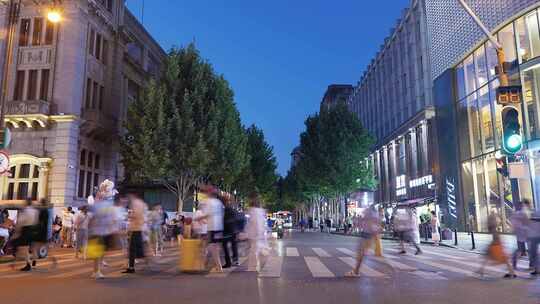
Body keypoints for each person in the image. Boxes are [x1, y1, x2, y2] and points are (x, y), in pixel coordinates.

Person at [88, 179, 119, 279]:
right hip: (98, 231)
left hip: (103, 231)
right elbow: (93, 217)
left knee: (101, 251)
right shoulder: (98, 204)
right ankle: (96, 271)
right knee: (98, 252)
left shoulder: (106, 205)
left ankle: (97, 270)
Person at [477, 210, 516, 278]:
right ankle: (481, 270)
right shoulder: (494, 228)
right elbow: (497, 238)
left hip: (496, 245)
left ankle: (512, 273)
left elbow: (496, 238)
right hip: (496, 245)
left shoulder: (493, 228)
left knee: (503, 259)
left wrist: (494, 244)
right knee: (503, 259)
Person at [345, 206, 381, 277]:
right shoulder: (375, 214)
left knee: (360, 253)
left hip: (366, 234)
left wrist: (351, 229)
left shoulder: (369, 213)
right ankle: (356, 270)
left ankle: (356, 271)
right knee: (361, 252)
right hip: (368, 234)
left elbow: (364, 222)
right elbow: (375, 223)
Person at [196, 184, 224, 273]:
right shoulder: (218, 202)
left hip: (212, 227)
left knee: (212, 247)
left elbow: (207, 214)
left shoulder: (209, 202)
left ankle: (217, 267)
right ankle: (207, 264)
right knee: (214, 247)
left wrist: (199, 218)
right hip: (219, 227)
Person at [123, 193, 149, 274]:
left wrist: (129, 216)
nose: (128, 198)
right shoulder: (142, 204)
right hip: (138, 229)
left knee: (133, 249)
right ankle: (132, 266)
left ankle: (132, 267)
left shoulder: (136, 203)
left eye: (129, 197)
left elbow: (137, 215)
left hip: (136, 229)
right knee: (137, 249)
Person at [11, 199, 39, 271]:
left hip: (26, 230)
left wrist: (16, 232)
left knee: (24, 248)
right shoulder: (35, 210)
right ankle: (33, 260)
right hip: (34, 230)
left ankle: (28, 264)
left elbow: (20, 222)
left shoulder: (25, 211)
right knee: (32, 247)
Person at [246, 192, 267, 272]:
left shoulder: (253, 210)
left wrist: (254, 233)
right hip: (258, 233)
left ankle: (253, 267)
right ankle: (253, 266)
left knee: (254, 250)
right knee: (255, 249)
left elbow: (255, 222)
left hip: (255, 233)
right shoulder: (260, 210)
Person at [510, 200, 531, 270]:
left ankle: (514, 262)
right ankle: (531, 264)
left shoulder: (515, 213)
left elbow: (514, 223)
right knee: (528, 249)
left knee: (520, 249)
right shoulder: (523, 212)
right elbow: (527, 221)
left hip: (520, 233)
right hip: (525, 233)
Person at [222, 194, 240, 268]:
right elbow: (236, 219)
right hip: (233, 230)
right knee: (233, 245)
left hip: (227, 230)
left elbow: (225, 220)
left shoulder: (226, 209)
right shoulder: (232, 208)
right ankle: (235, 260)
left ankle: (228, 262)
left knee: (225, 246)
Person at [528, 209, 540, 276]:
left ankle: (537, 270)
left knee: (534, 254)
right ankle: (537, 269)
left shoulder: (532, 218)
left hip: (534, 237)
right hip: (534, 236)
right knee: (535, 254)